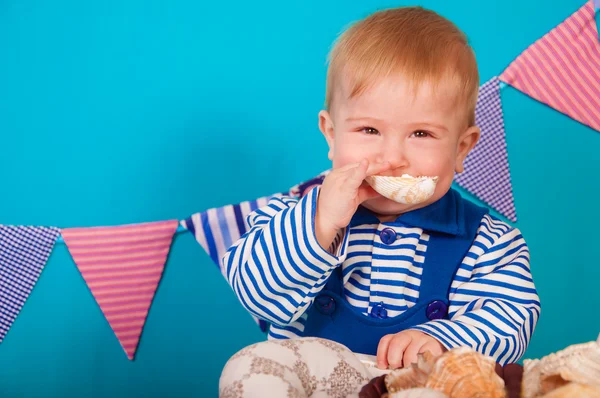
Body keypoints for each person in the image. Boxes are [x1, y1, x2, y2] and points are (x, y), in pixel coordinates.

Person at [222, 6, 540, 369]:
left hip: (418, 391)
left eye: (421, 134)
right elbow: (256, 295)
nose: (392, 157)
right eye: (369, 130)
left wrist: (441, 339)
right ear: (331, 134)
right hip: (308, 387)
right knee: (245, 368)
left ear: (461, 148)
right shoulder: (290, 213)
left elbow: (510, 321)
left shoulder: (488, 242)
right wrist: (320, 223)